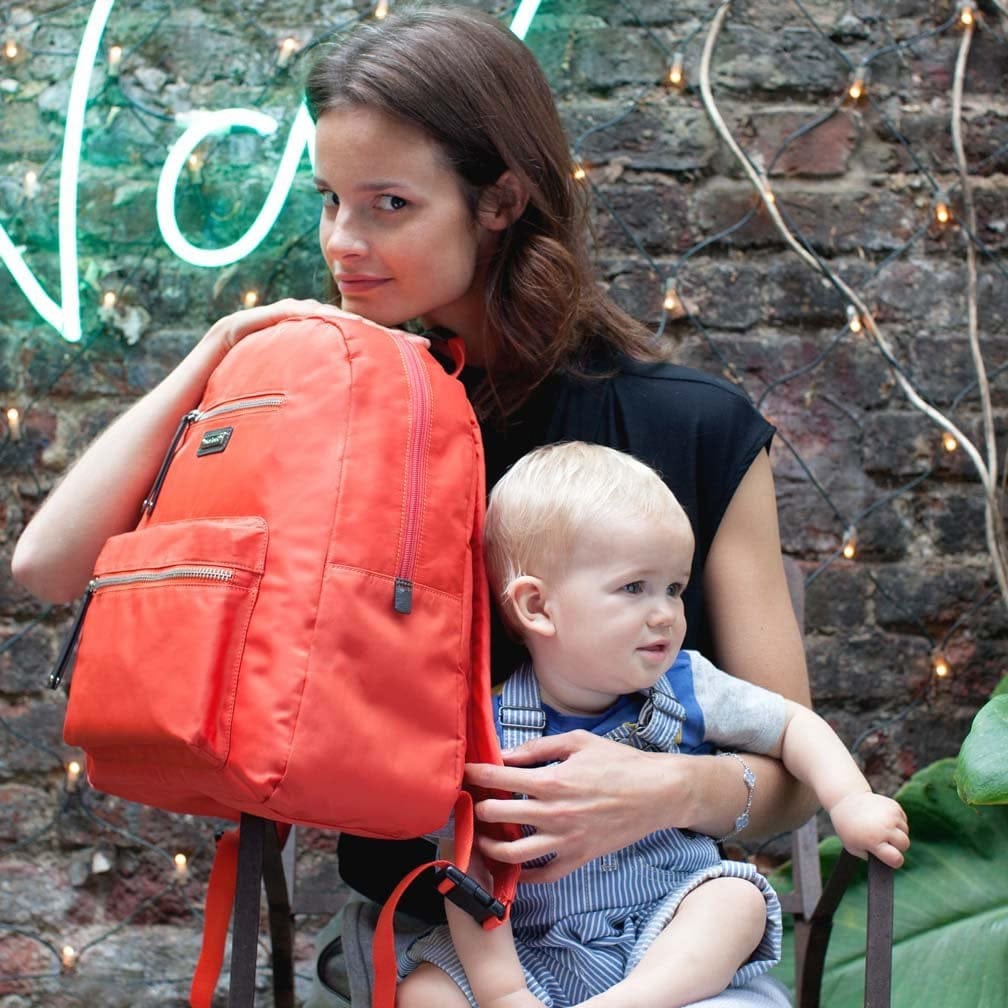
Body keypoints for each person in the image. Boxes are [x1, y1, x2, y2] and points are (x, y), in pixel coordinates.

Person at [12, 6, 817, 1005]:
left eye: (389, 203)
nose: (343, 242)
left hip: (662, 935)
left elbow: (788, 773)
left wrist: (672, 790)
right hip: (432, 935)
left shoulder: (695, 425)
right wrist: (218, 352)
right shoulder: (338, 420)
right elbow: (47, 567)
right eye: (329, 201)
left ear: (499, 201)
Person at [395, 442, 910, 1008]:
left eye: (674, 588)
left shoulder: (687, 685)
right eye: (634, 587)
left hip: (666, 941)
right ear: (538, 606)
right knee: (425, 990)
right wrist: (505, 994)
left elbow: (793, 726)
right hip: (531, 951)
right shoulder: (484, 731)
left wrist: (852, 801)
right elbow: (469, 870)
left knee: (734, 899)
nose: (666, 612)